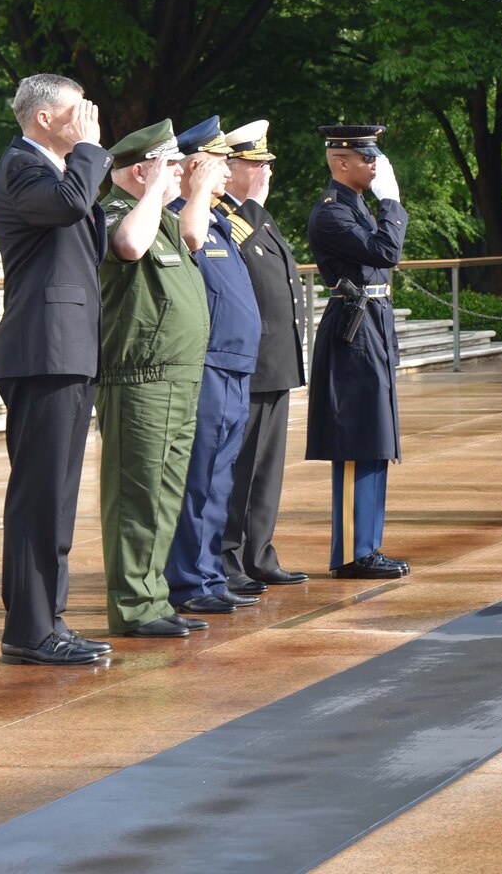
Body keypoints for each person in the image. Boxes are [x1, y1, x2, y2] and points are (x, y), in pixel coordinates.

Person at [0, 74, 114, 665]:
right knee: (39, 496)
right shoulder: (23, 166)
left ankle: (46, 621)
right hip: (43, 350)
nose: (88, 117)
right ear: (43, 119)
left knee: (57, 497)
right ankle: (31, 631)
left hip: (68, 349)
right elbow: (68, 208)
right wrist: (90, 151)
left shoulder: (58, 170)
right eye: (76, 111)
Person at [95, 120, 211, 638]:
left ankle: (154, 596)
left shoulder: (160, 219)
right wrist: (152, 189)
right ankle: (133, 605)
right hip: (139, 377)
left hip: (175, 374)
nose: (179, 178)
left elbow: (193, 233)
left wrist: (177, 191)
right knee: (136, 493)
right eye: (171, 168)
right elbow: (126, 247)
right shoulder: (116, 212)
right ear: (142, 169)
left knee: (165, 492)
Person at [163, 117, 263, 616]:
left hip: (234, 363)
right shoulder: (188, 215)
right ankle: (187, 581)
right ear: (194, 166)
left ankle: (207, 572)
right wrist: (198, 187)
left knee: (219, 478)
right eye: (219, 165)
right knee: (198, 477)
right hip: (209, 365)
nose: (227, 175)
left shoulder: (219, 218)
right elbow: (190, 239)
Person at [305, 123, 410, 578]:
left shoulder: (357, 208)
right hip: (353, 329)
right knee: (356, 441)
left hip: (373, 324)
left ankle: (367, 545)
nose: (375, 165)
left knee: (376, 439)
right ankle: (350, 553)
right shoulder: (332, 214)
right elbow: (386, 252)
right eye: (367, 158)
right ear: (340, 162)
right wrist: (392, 203)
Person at [218, 119, 309, 590]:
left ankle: (259, 552)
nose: (264, 174)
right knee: (238, 467)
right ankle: (229, 558)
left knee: (266, 467)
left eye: (264, 165)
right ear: (228, 168)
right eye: (254, 165)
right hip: (246, 362)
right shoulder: (226, 219)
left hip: (274, 359)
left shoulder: (256, 216)